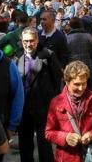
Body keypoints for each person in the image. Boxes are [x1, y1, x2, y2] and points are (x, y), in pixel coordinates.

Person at [45, 61, 92, 162]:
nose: (81, 88)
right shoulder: (56, 102)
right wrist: (65, 138)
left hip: (91, 156)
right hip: (66, 157)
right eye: (77, 84)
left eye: (84, 83)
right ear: (67, 82)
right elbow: (48, 132)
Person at [17, 26, 63, 162]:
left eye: (31, 41)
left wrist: (54, 103)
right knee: (25, 143)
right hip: (24, 108)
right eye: (25, 41)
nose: (28, 44)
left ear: (37, 40)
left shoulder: (48, 55)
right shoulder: (16, 56)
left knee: (44, 143)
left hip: (43, 107)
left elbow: (57, 79)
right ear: (21, 41)